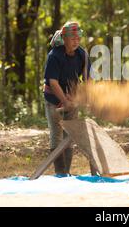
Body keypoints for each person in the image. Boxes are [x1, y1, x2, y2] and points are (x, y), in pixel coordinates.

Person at [43, 21, 93, 176]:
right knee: (56, 135)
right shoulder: (55, 56)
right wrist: (64, 101)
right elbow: (52, 81)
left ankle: (67, 172)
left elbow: (88, 78)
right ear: (64, 38)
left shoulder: (82, 54)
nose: (76, 41)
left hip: (72, 98)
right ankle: (60, 173)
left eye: (78, 38)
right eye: (72, 38)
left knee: (69, 135)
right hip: (53, 99)